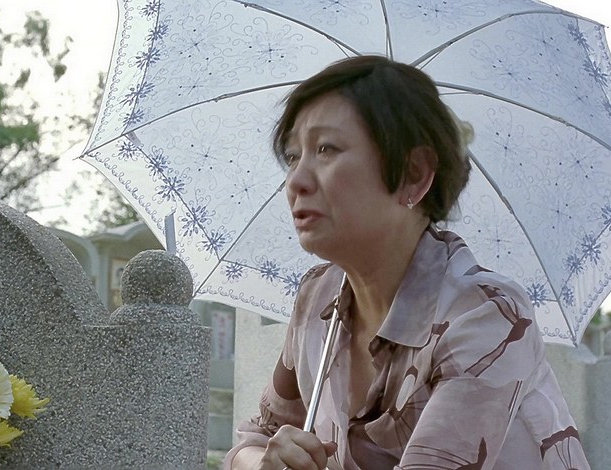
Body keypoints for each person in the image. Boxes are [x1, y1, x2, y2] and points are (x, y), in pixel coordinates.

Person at [223, 56, 590, 470]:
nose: (296, 181)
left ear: (414, 174)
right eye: (293, 156)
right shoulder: (318, 297)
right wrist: (266, 463)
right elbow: (254, 440)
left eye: (326, 149)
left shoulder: (486, 316)